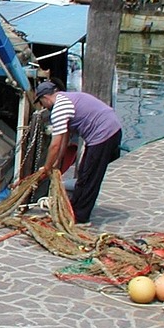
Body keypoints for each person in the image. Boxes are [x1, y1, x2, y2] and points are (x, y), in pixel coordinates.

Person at [34, 80, 122, 224]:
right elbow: (65, 137)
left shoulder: (59, 109)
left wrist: (47, 167)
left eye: (42, 102)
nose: (43, 106)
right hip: (111, 129)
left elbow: (55, 145)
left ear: (45, 98)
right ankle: (75, 208)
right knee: (85, 174)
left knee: (89, 177)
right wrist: (58, 161)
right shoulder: (67, 98)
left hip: (103, 134)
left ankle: (80, 216)